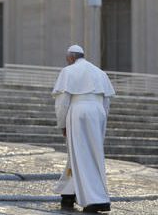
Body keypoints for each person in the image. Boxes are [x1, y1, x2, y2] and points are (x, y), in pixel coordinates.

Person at [52, 45, 115, 213]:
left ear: (71, 58)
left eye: (67, 59)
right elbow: (106, 102)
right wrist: (102, 121)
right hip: (98, 112)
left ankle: (95, 199)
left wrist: (62, 123)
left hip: (78, 110)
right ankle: (68, 192)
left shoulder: (68, 71)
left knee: (80, 153)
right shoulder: (100, 73)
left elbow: (63, 102)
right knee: (89, 153)